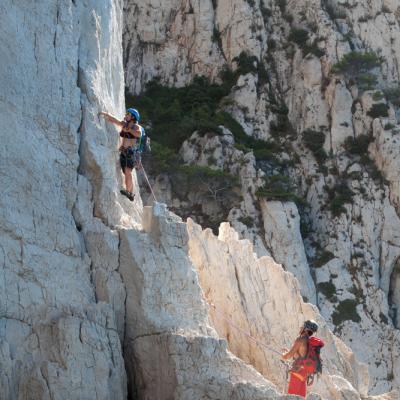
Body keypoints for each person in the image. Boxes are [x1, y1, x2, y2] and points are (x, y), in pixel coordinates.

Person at [99, 108, 143, 201]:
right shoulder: (125, 124)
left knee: (128, 172)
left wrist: (130, 130)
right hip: (124, 152)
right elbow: (115, 121)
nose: (126, 115)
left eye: (128, 114)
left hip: (130, 153)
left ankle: (129, 192)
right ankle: (130, 193)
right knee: (126, 172)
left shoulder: (135, 127)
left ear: (133, 117)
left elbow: (139, 134)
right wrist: (106, 115)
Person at [281, 320, 323, 398]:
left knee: (291, 398)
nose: (301, 327)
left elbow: (288, 356)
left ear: (305, 328)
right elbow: (302, 355)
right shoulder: (310, 342)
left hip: (297, 372)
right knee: (301, 398)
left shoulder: (301, 339)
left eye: (303, 326)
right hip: (305, 375)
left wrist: (283, 355)